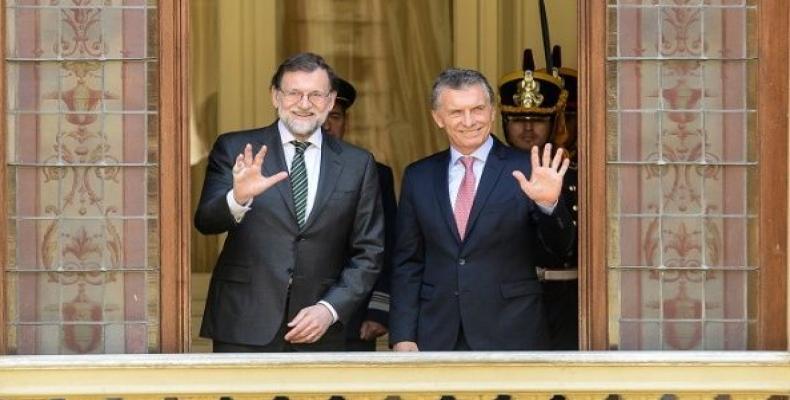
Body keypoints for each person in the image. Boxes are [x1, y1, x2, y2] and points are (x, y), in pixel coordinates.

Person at [195, 52, 384, 352]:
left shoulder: (357, 164)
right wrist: (239, 197)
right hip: (244, 322)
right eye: (294, 93)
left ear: (331, 100)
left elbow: (369, 252)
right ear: (275, 96)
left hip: (321, 329)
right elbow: (206, 222)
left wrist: (330, 309)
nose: (305, 104)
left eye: (316, 95)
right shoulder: (235, 148)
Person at [389, 68, 575, 351]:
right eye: (456, 112)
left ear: (491, 112)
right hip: (437, 333)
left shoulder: (529, 169)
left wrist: (548, 204)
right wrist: (403, 335)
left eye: (477, 109)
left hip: (511, 331)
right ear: (438, 118)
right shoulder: (419, 176)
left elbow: (559, 249)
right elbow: (408, 263)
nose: (468, 121)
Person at [500, 49, 579, 350]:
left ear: (554, 122)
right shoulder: (491, 172)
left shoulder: (573, 172)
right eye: (519, 120)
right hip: (514, 298)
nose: (528, 128)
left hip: (571, 298)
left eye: (538, 119)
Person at [322, 77, 397, 351]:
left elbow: (388, 245)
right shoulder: (280, 171)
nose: (327, 124)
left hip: (354, 318)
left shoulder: (375, 173)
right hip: (292, 318)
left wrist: (380, 309)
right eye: (322, 115)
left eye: (336, 116)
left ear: (346, 123)